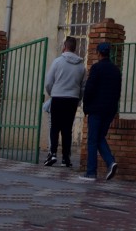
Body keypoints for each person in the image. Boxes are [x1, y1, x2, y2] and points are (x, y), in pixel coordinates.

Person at [80, 41, 121, 181]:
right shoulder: (116, 70)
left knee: (92, 140)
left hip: (96, 109)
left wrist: (86, 106)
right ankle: (111, 162)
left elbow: (89, 89)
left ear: (98, 53)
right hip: (110, 110)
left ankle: (91, 172)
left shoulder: (96, 68)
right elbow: (117, 92)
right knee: (99, 137)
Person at [43, 36, 86, 168]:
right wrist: (77, 98)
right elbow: (83, 86)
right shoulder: (81, 66)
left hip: (58, 97)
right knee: (67, 129)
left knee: (55, 127)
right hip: (72, 99)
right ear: (75, 48)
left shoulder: (57, 62)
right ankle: (66, 158)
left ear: (64, 46)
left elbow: (49, 82)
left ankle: (52, 154)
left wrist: (53, 93)